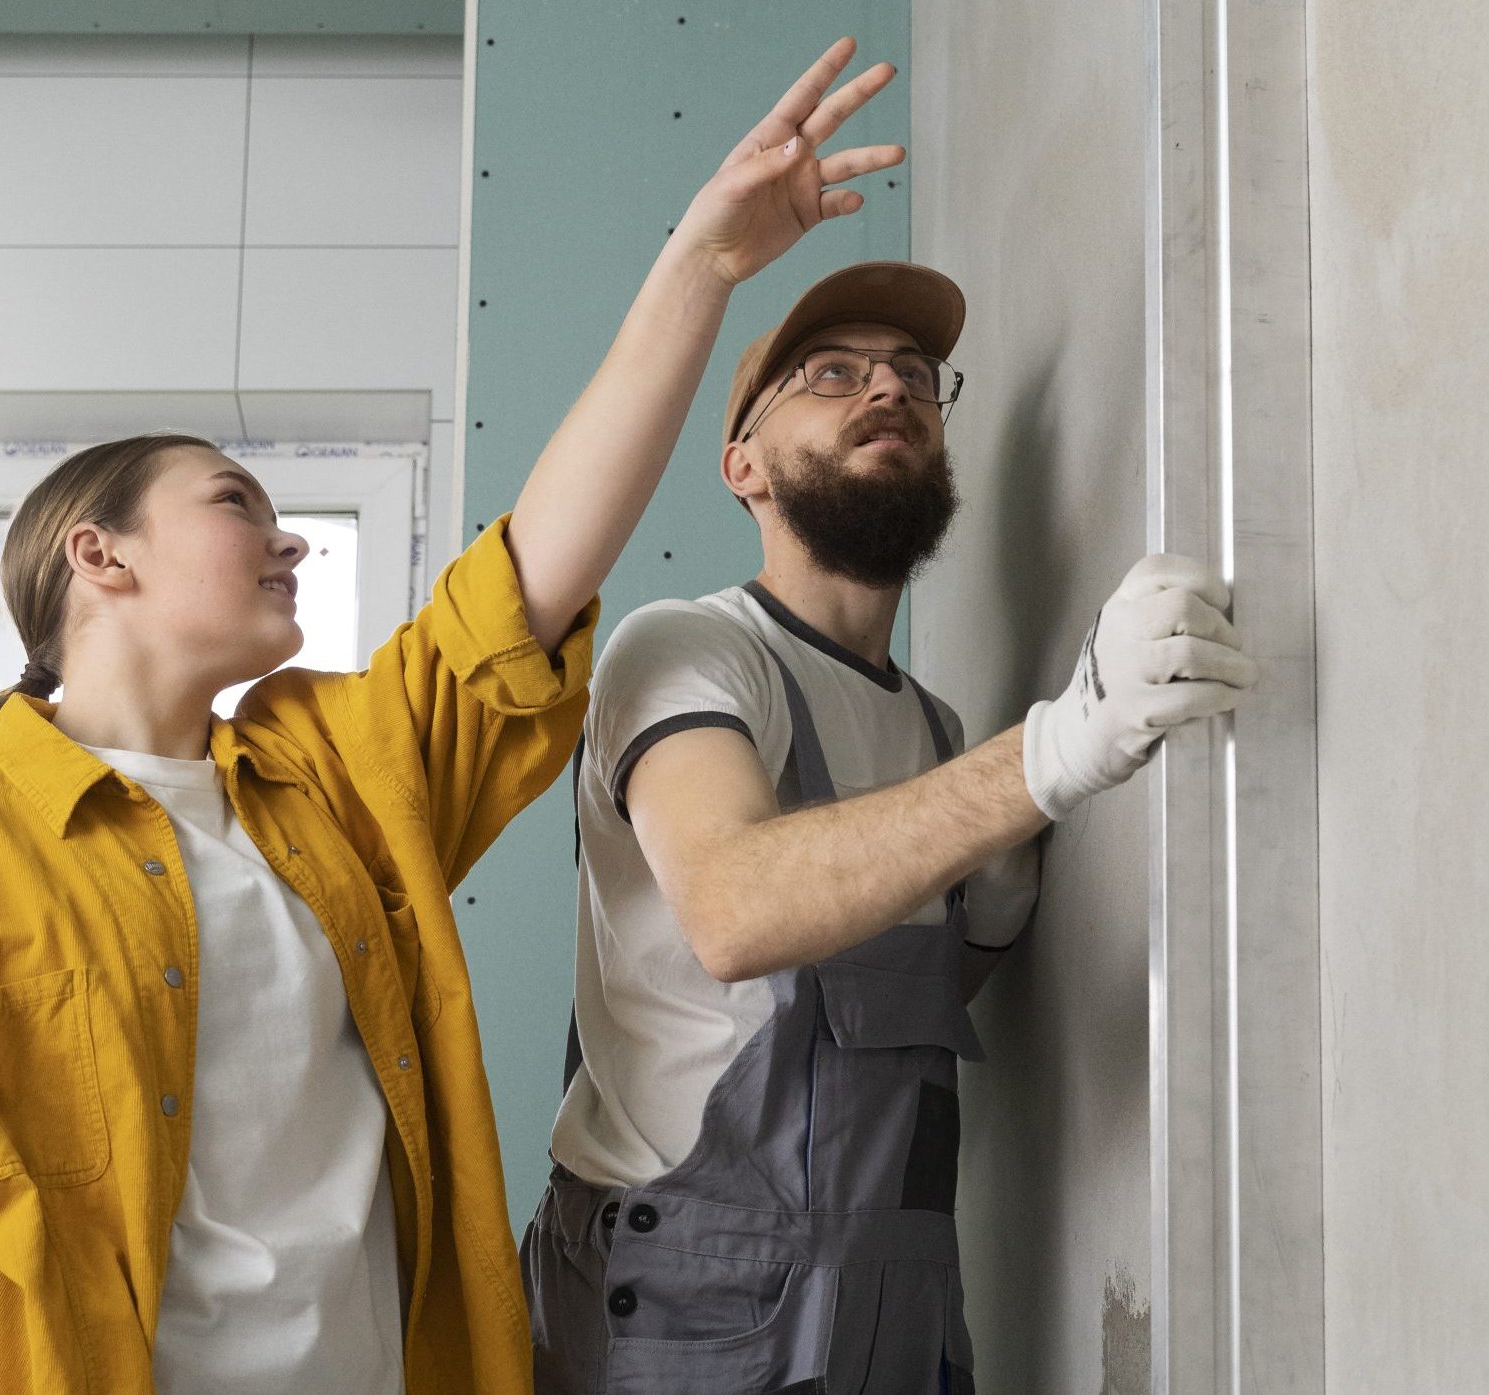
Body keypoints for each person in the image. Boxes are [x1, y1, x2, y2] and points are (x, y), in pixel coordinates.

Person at [0, 37, 904, 1395]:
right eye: (236, 500)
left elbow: (534, 573)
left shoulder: (334, 777)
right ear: (98, 554)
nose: (288, 541)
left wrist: (703, 265)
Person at [521, 256, 1260, 1391]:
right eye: (830, 374)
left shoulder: (933, 727)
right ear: (744, 467)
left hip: (895, 1291)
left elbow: (874, 1019)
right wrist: (1048, 756)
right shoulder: (688, 651)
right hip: (694, 1307)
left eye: (914, 373)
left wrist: (1003, 883)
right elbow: (735, 911)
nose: (889, 389)